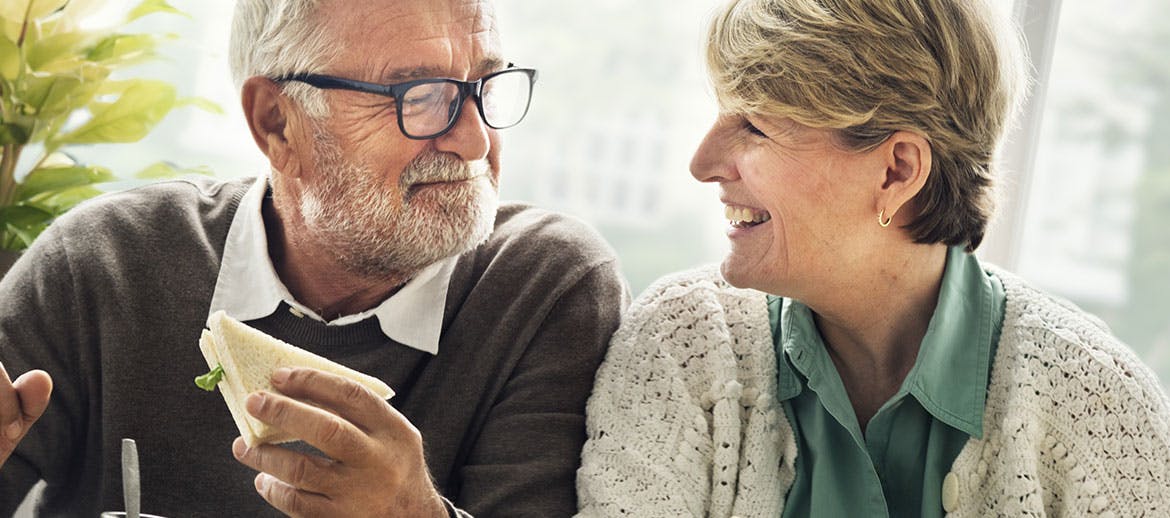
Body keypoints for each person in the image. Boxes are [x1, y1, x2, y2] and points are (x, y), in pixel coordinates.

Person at [0, 0, 627, 516]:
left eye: (485, 85)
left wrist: (412, 514)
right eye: (419, 94)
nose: (474, 139)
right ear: (277, 123)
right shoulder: (102, 265)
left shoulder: (548, 288)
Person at [576, 0, 1170, 516]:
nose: (702, 162)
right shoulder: (683, 344)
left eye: (754, 126)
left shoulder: (1100, 411)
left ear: (897, 171)